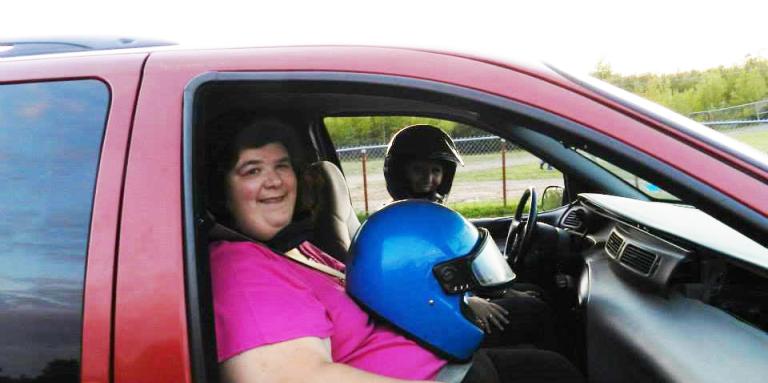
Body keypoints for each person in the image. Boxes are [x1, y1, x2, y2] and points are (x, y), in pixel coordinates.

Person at [206, 115, 582, 383]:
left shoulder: (293, 246)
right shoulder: (240, 270)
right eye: (252, 170)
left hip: (438, 352)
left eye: (281, 166)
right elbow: (298, 376)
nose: (274, 181)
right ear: (222, 190)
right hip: (437, 373)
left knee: (547, 356)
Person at [384, 125, 556, 351]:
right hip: (438, 318)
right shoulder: (398, 224)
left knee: (535, 292)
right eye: (418, 170)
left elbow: (455, 266)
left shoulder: (429, 213)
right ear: (399, 173)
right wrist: (467, 302)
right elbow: (409, 284)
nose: (429, 178)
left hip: (452, 299)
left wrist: (504, 291)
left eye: (436, 170)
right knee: (537, 311)